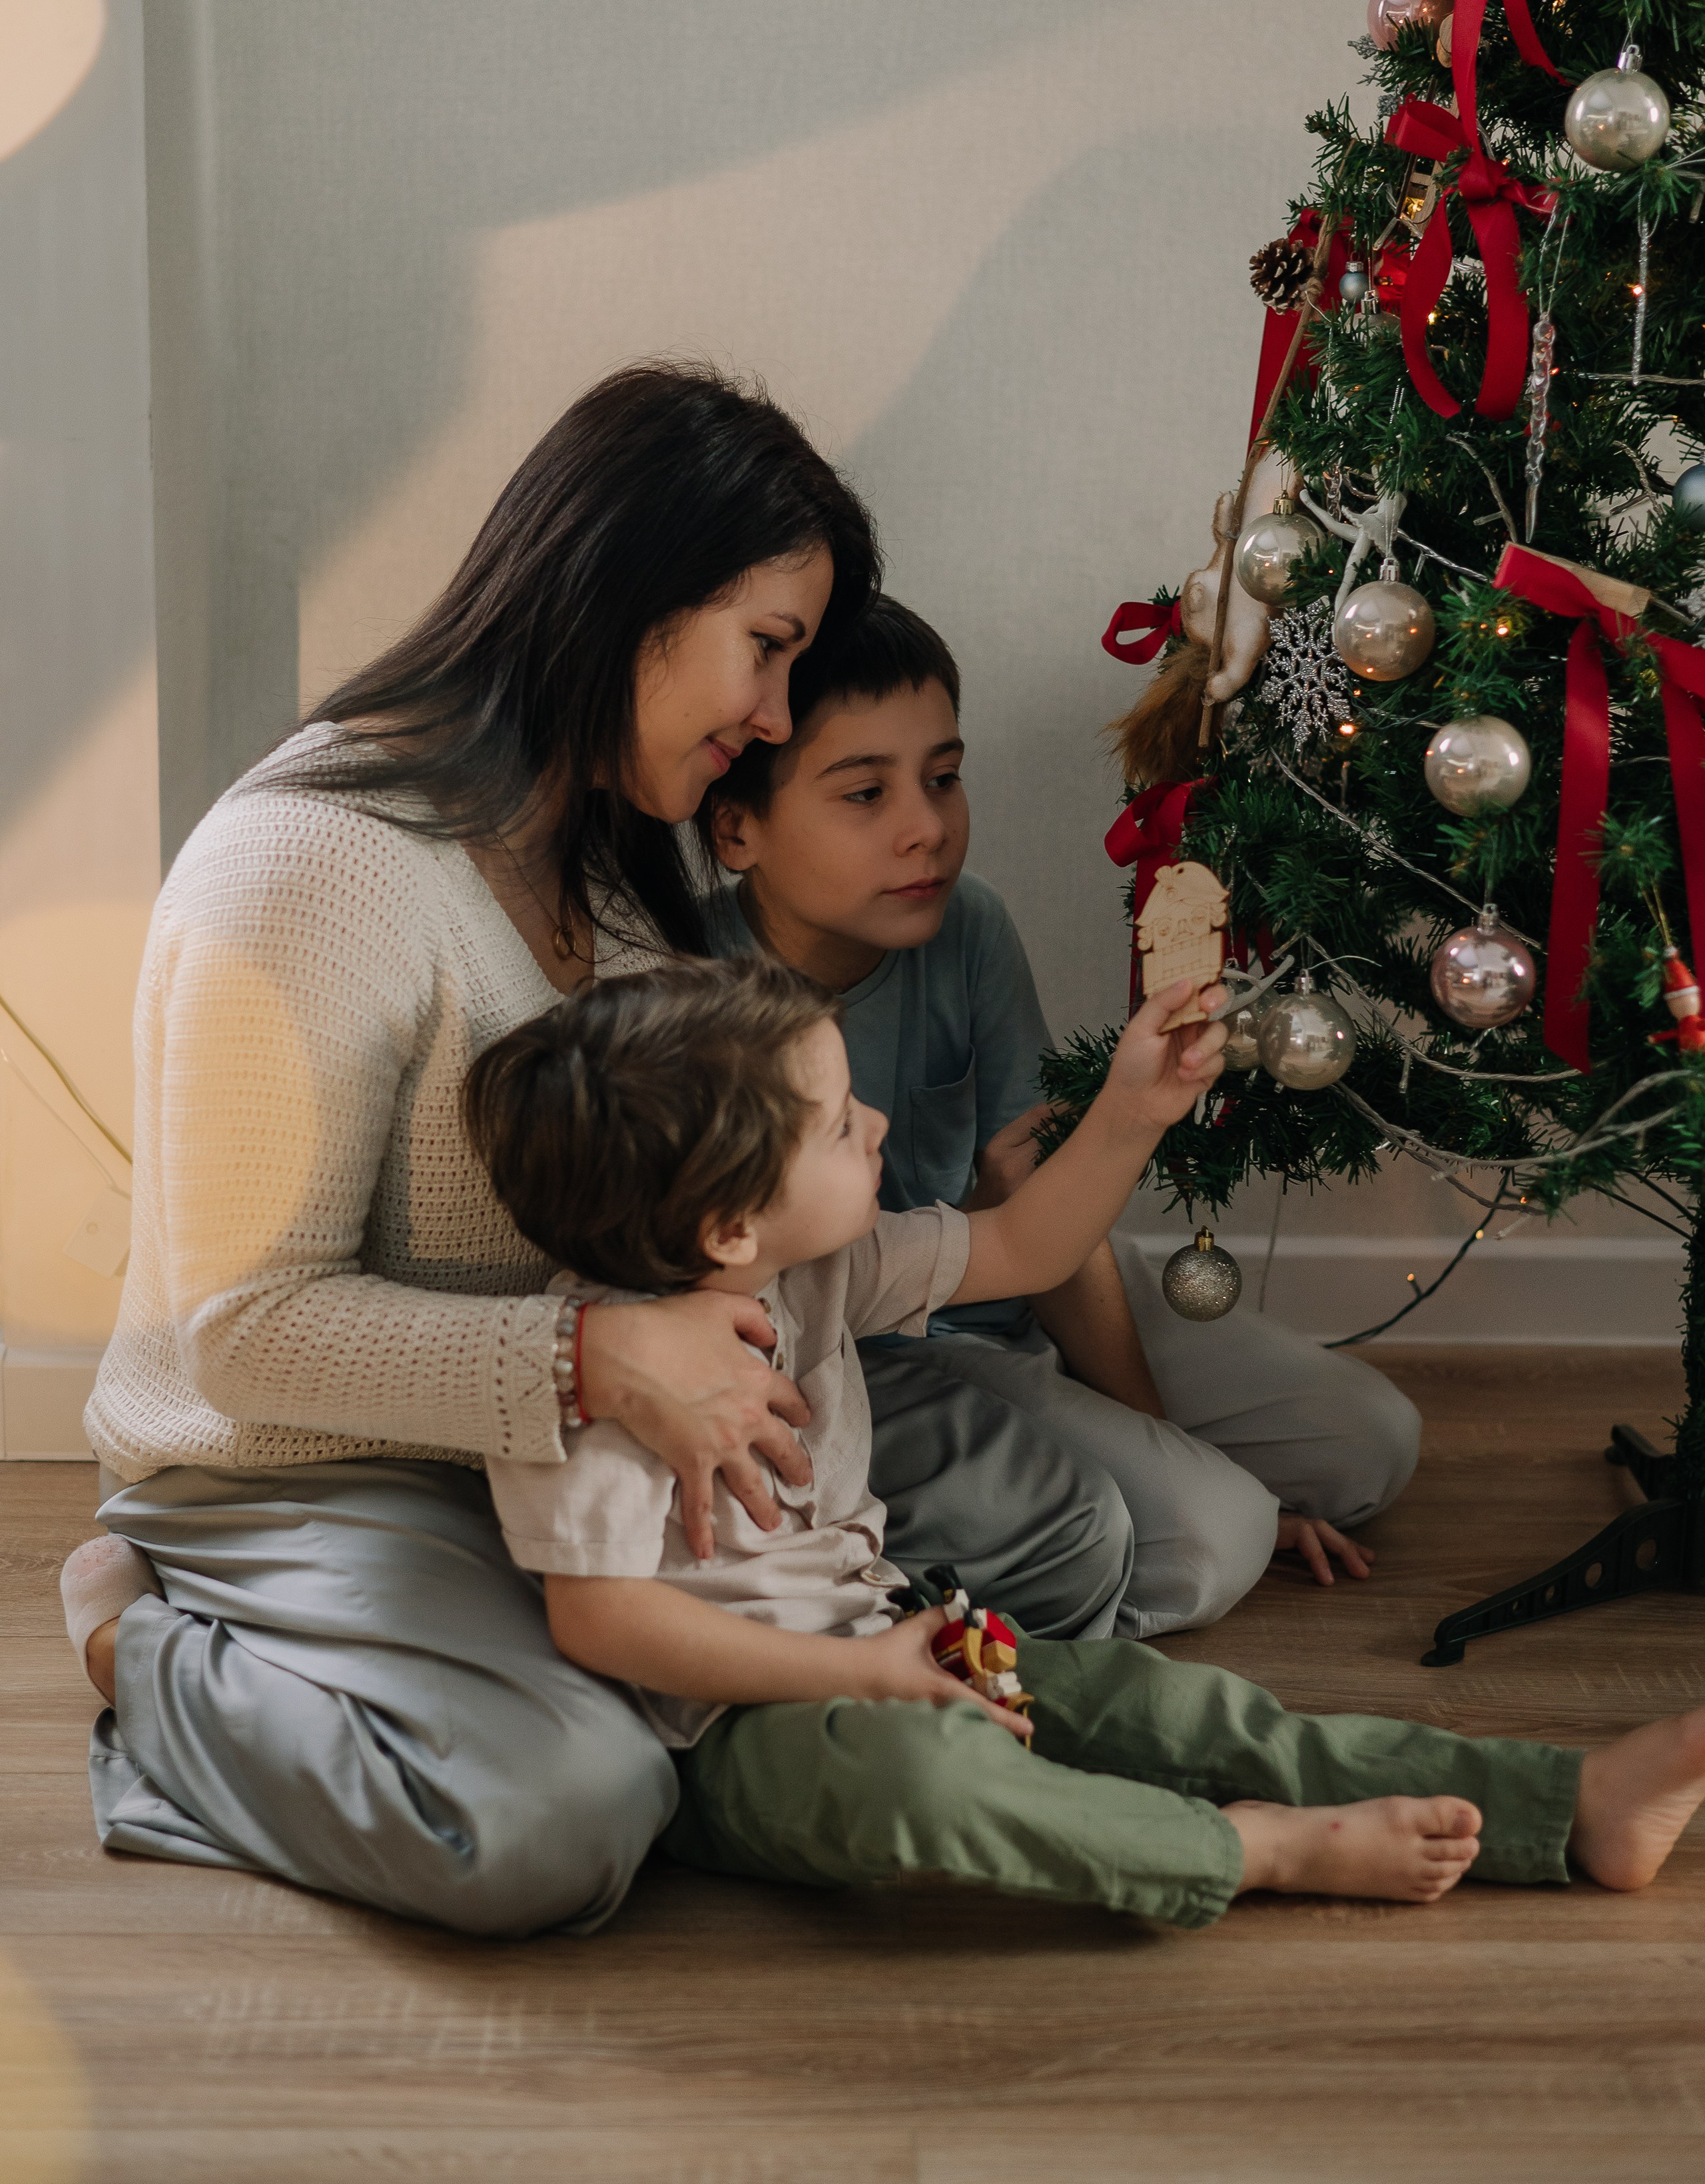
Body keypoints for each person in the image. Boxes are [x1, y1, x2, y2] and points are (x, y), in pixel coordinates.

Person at [59, 364, 1134, 1940]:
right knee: (558, 1820)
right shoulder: (304, 872)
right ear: (629, 598)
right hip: (308, 1462)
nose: (774, 717)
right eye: (765, 653)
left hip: (589, 1427)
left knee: (1092, 1529)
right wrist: (590, 1359)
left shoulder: (607, 853)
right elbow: (243, 1335)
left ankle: (720, 1687)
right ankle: (135, 1642)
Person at [470, 953, 1705, 1926]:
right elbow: (602, 1619)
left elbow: (1028, 1248)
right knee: (937, 1787)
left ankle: (1568, 1804)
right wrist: (866, 1675)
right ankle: (1248, 1853)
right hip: (747, 1734)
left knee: (1165, 1707)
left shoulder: (822, 1268)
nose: (881, 1121)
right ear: (730, 1222)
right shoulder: (595, 1383)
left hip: (904, 1640)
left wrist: (1132, 1109)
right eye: (842, 1124)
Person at [697, 595, 1422, 1638]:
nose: (927, 826)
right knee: (1213, 1536)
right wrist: (1207, 1481)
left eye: (944, 777)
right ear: (738, 827)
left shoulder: (968, 924)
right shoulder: (695, 998)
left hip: (1028, 1270)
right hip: (874, 1347)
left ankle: (1152, 1489)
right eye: (866, 792)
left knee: (1371, 1443)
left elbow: (1043, 1221)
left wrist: (1166, 1441)